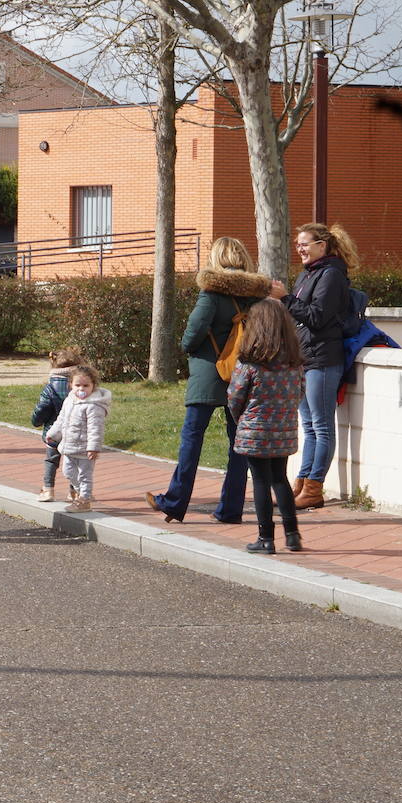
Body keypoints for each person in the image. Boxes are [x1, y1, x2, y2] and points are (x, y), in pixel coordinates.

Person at [145, 237, 269, 524]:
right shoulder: (258, 295)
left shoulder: (211, 293)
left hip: (209, 371)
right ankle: (230, 509)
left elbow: (193, 332)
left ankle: (175, 502)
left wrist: (188, 347)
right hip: (244, 373)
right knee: (238, 443)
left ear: (216, 258)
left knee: (192, 437)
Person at [270, 223, 358, 511]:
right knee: (308, 426)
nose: (300, 248)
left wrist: (285, 298)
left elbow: (317, 317)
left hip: (322, 358)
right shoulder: (309, 275)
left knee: (321, 426)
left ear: (322, 245)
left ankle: (314, 488)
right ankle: (302, 483)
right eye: (297, 244)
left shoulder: (331, 275)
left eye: (305, 243)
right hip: (305, 359)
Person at [227, 299, 305, 555]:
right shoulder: (294, 362)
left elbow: (235, 397)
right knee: (280, 478)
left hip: (255, 429)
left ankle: (265, 538)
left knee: (260, 481)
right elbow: (300, 393)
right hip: (284, 429)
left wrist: (242, 419)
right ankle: (292, 535)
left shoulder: (249, 362)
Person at [45, 365, 110, 513]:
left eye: (86, 386)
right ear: (71, 385)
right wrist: (53, 434)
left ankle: (84, 501)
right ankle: (83, 493)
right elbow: (62, 419)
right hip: (69, 446)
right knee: (68, 472)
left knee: (84, 475)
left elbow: (96, 428)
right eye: (78, 385)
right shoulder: (70, 400)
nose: (81, 389)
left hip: (84, 449)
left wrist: (93, 447)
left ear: (93, 386)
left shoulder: (94, 406)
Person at [31, 347, 84, 502]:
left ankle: (48, 490)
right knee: (75, 463)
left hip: (54, 432)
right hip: (76, 433)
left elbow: (42, 408)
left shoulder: (50, 388)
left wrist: (36, 421)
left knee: (51, 460)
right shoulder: (81, 386)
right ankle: (73, 492)